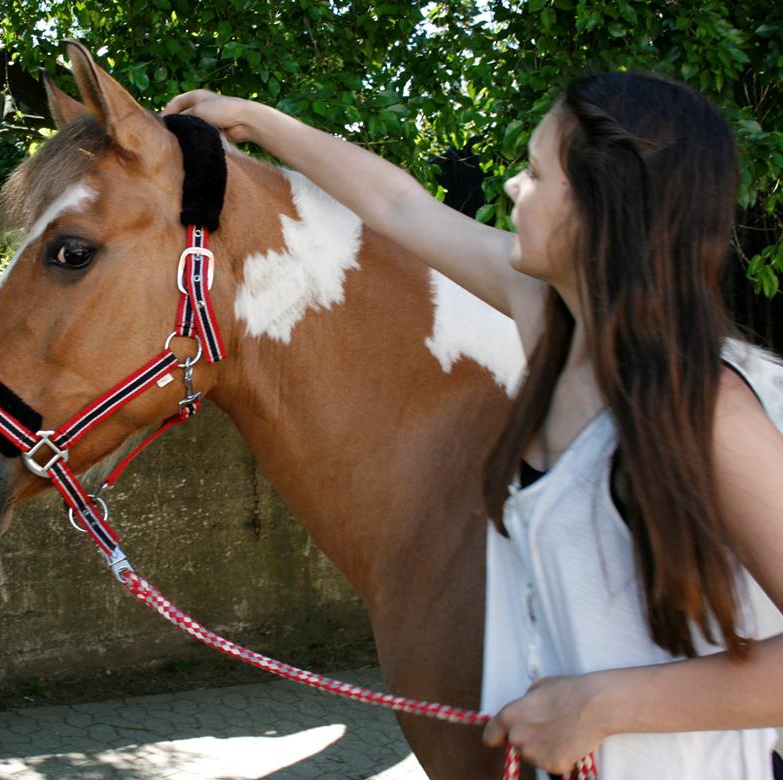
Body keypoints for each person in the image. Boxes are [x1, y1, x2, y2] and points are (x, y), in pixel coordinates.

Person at [164, 72, 783, 779]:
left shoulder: (705, 408)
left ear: (602, 207)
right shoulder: (551, 319)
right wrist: (255, 118)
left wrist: (608, 704)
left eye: (536, 172)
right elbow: (399, 205)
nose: (515, 188)